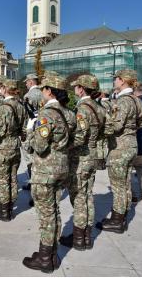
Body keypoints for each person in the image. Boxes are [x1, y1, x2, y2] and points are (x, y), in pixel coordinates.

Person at [22, 75, 73, 273]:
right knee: (55, 210)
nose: (41, 92)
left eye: (43, 89)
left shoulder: (46, 114)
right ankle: (50, 253)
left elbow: (39, 147)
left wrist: (29, 135)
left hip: (46, 169)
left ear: (49, 91)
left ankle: (45, 258)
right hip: (62, 165)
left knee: (46, 214)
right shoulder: (68, 113)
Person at [97, 69, 142, 234]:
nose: (114, 82)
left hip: (120, 147)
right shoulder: (136, 100)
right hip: (131, 143)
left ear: (123, 80)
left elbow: (115, 126)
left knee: (118, 185)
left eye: (116, 79)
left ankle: (117, 221)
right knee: (124, 184)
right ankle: (121, 216)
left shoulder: (123, 101)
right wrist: (130, 130)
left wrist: (102, 124)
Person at [60, 75, 105, 251]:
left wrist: (63, 144)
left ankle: (78, 238)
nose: (75, 89)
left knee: (78, 197)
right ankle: (86, 235)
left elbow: (79, 138)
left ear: (82, 89)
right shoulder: (98, 108)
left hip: (80, 158)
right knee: (87, 196)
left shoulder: (82, 109)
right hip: (93, 154)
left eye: (77, 86)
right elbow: (106, 130)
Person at [0, 79, 27, 222]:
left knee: (4, 179)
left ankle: (4, 211)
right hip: (15, 145)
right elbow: (24, 129)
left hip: (3, 146)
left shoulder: (3, 107)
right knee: (13, 177)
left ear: (5, 89)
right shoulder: (21, 106)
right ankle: (10, 206)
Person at [21, 73, 44, 198]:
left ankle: (33, 184)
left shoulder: (28, 96)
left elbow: (25, 115)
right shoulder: (43, 93)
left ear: (31, 82)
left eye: (26, 82)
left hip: (30, 128)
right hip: (41, 127)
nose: (25, 84)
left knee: (30, 158)